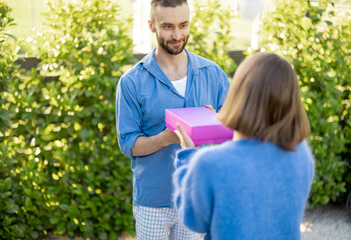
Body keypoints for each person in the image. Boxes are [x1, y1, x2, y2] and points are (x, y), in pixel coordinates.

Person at [116, 0, 230, 239]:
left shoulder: (213, 74)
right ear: (152, 26)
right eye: (168, 27)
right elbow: (129, 145)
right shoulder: (132, 82)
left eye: (183, 25)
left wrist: (214, 125)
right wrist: (167, 138)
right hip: (153, 200)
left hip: (196, 196)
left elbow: (235, 132)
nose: (177, 35)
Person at [173, 52, 315, 240]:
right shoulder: (300, 152)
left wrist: (188, 157)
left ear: (239, 95)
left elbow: (193, 220)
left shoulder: (209, 163)